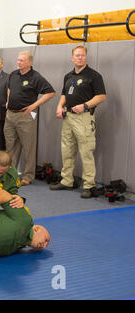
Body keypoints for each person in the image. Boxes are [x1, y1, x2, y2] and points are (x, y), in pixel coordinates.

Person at [50, 45, 106, 198]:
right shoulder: (68, 76)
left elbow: (101, 96)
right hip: (68, 117)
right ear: (72, 58)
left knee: (86, 151)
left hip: (84, 118)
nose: (80, 58)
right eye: (77, 55)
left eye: (82, 55)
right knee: (67, 150)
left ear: (86, 57)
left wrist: (85, 105)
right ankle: (67, 180)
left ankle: (89, 185)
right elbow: (64, 94)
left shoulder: (94, 76)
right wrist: (59, 106)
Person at [4, 51, 56, 186]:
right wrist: (8, 100)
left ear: (29, 62)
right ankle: (11, 174)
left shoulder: (35, 77)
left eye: (21, 60)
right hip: (10, 115)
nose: (18, 62)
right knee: (11, 146)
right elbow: (9, 88)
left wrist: (34, 106)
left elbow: (50, 92)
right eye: (18, 60)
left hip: (26, 115)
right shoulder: (14, 74)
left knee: (28, 147)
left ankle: (27, 176)